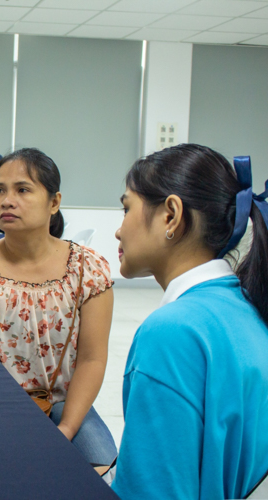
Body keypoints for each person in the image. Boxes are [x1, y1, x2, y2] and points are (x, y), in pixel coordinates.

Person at [109, 144, 268, 499]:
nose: (118, 231)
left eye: (126, 209)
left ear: (170, 215)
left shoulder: (172, 334)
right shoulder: (247, 309)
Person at [0, 148, 117, 467]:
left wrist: (67, 428)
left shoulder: (89, 268)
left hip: (67, 402)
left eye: (22, 189)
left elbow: (93, 359)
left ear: (54, 202)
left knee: (105, 473)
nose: (6, 200)